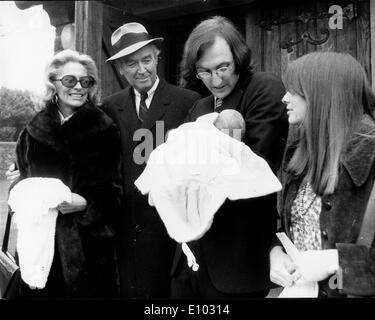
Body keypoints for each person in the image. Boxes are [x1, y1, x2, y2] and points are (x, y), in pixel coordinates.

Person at [171, 16, 288, 298]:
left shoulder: (263, 89)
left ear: (238, 56)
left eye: (223, 66)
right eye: (204, 71)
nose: (216, 79)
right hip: (189, 260)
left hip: (235, 261)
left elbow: (253, 169)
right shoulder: (199, 106)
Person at [11, 49, 122, 299]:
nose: (78, 87)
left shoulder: (105, 130)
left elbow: (114, 194)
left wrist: (85, 203)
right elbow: (22, 187)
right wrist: (20, 185)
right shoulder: (32, 130)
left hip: (90, 256)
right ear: (54, 83)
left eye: (86, 81)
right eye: (70, 80)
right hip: (41, 254)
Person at [101, 22, 201, 298]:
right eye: (131, 63)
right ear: (121, 68)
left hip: (171, 226)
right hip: (128, 229)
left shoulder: (187, 101)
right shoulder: (110, 106)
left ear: (157, 56)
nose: (141, 69)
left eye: (146, 59)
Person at [269, 51, 375, 298]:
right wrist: (276, 253)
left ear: (322, 95)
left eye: (294, 91)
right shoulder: (300, 153)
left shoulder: (371, 153)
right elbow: (293, 225)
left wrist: (336, 261)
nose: (284, 98)